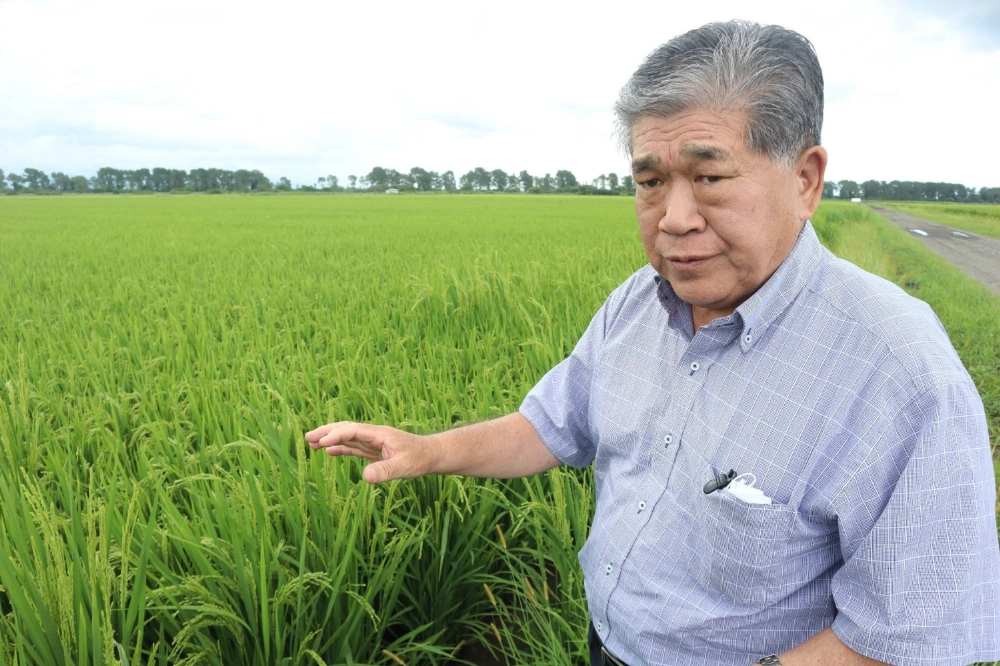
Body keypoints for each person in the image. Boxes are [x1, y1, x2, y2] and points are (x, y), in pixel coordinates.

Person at [306, 20, 1000, 666]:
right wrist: (429, 451)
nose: (673, 219)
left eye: (709, 177)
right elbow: (552, 425)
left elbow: (907, 634)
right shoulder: (636, 305)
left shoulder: (898, 370)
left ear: (805, 179)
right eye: (649, 182)